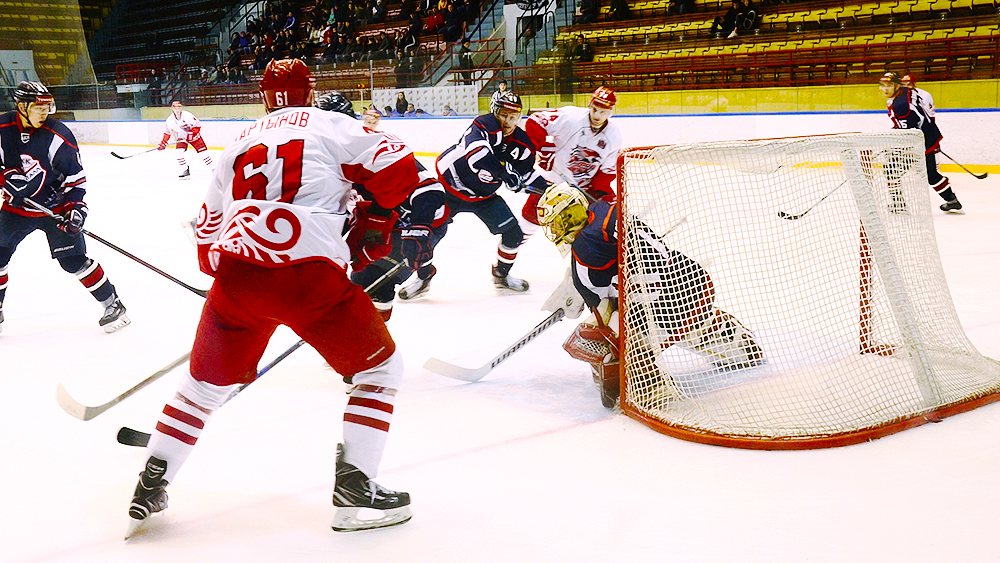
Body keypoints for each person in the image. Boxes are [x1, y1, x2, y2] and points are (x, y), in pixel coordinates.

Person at [125, 59, 415, 538]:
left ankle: (151, 481)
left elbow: (207, 237)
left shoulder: (238, 140)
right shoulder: (331, 123)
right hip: (310, 280)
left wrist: (232, 288)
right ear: (311, 90)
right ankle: (356, 490)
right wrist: (376, 220)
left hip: (237, 280)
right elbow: (402, 172)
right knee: (379, 371)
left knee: (200, 388)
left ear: (263, 95)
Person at [535, 183, 763, 407]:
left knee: (594, 335)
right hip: (692, 280)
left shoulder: (584, 248)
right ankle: (732, 339)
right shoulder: (604, 210)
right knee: (683, 320)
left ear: (569, 216)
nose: (554, 232)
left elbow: (603, 308)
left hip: (663, 306)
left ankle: (648, 385)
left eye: (555, 224)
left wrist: (583, 290)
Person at [0, 81, 129, 334]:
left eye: (47, 106)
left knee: (72, 261)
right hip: (17, 209)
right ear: (21, 106)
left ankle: (113, 304)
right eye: (38, 107)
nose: (45, 112)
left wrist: (77, 209)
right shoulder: (2, 128)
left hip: (55, 209)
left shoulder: (59, 135)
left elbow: (76, 180)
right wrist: (4, 179)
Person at [434, 92, 547, 293]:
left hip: (483, 197)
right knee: (428, 232)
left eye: (513, 117)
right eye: (504, 115)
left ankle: (501, 275)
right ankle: (422, 276)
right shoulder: (482, 124)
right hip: (449, 188)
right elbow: (477, 157)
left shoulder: (522, 143)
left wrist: (549, 190)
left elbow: (527, 174)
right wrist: (505, 173)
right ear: (495, 112)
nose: (508, 121)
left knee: (514, 235)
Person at [518, 87, 622, 246]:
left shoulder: (614, 136)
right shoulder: (571, 117)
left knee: (584, 236)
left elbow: (604, 173)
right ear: (590, 105)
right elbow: (535, 121)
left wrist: (603, 194)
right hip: (551, 185)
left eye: (603, 112)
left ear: (611, 112)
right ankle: (502, 266)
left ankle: (577, 268)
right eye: (594, 109)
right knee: (523, 229)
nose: (597, 115)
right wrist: (544, 148)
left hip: (581, 192)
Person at [878, 71, 962, 214]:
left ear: (898, 85)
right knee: (924, 174)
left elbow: (908, 133)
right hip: (926, 138)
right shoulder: (905, 92)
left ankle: (899, 204)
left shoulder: (901, 105)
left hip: (921, 142)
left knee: (896, 171)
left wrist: (892, 145)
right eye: (883, 85)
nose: (885, 89)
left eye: (889, 85)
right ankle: (951, 200)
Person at [156, 101, 214, 179]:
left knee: (204, 154)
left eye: (179, 107)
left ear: (181, 108)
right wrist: (163, 143)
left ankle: (214, 169)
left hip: (195, 137)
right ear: (172, 109)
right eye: (175, 108)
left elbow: (198, 125)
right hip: (182, 138)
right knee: (178, 153)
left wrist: (192, 133)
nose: (177, 110)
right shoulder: (170, 120)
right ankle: (185, 170)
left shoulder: (188, 115)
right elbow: (167, 133)